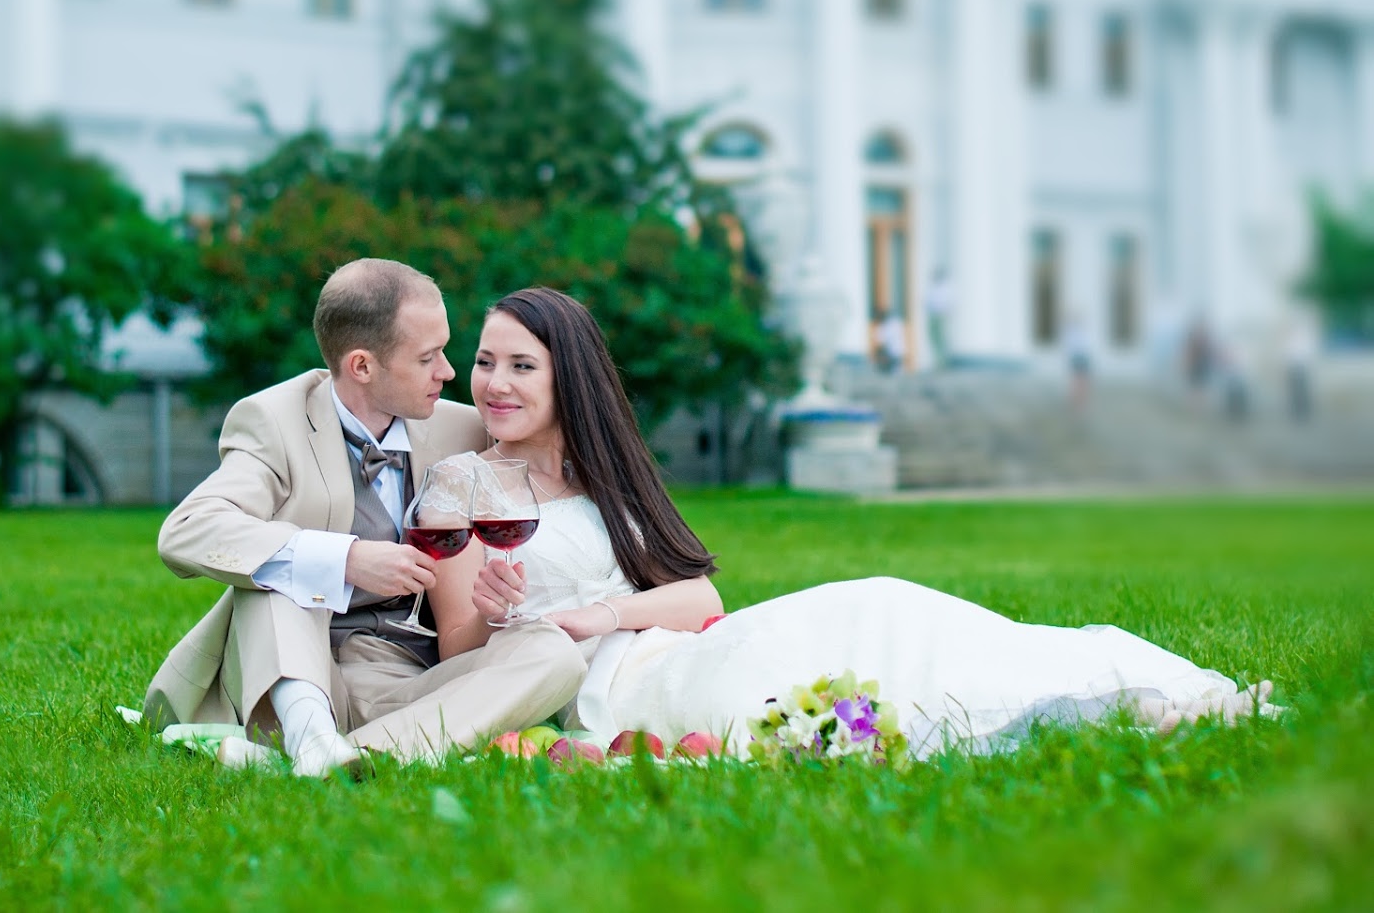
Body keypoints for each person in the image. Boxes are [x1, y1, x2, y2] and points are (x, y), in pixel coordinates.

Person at [430, 288, 1277, 760]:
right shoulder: (462, 487)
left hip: (676, 644)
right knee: (819, 701)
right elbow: (458, 664)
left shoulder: (602, 482)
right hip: (615, 692)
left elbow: (701, 596)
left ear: (566, 377)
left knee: (883, 606)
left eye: (521, 365)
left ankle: (1116, 683)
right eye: (484, 361)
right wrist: (506, 614)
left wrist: (602, 613)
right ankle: (1054, 717)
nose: (495, 382)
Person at [141, 261, 587, 777]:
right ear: (361, 366)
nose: (448, 371)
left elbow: (554, 448)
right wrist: (346, 559)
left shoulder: (463, 427)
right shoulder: (275, 422)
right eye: (428, 357)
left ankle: (344, 757)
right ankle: (312, 736)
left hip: (419, 676)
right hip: (299, 669)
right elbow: (188, 529)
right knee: (290, 571)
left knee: (553, 654)